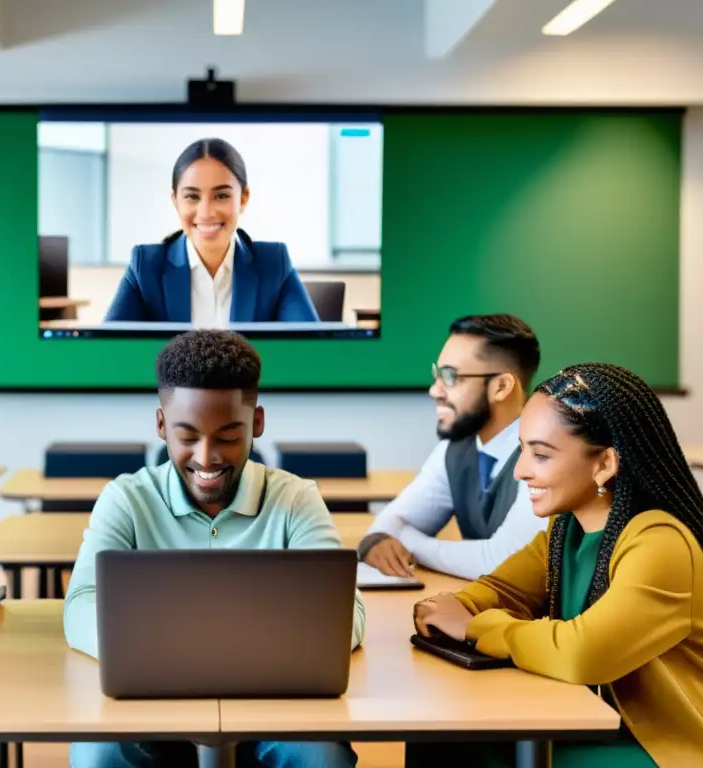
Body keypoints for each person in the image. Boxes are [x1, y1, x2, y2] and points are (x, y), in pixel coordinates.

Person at [64, 329, 363, 768]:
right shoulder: (125, 499)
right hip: (149, 703)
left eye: (227, 437)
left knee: (320, 756)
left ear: (256, 424)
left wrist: (222, 653)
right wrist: (173, 655)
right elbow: (79, 606)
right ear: (161, 425)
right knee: (97, 754)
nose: (207, 457)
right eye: (187, 436)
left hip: (274, 704)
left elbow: (346, 615)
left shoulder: (296, 499)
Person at [412, 363, 703, 768]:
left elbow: (583, 652)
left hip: (672, 750)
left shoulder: (660, 543)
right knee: (441, 739)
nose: (521, 471)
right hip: (611, 727)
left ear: (605, 464)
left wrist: (472, 626)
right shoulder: (566, 530)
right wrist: (456, 608)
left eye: (540, 454)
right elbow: (502, 590)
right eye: (522, 450)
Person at [358, 314, 547, 580]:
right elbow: (390, 524)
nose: (434, 391)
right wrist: (383, 538)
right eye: (438, 374)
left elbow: (503, 562)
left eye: (450, 377)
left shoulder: (546, 455)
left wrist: (408, 541)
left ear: (502, 387)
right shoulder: (456, 449)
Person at [103, 138, 320, 326]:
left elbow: (311, 349)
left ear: (243, 198)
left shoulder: (273, 263)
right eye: (192, 197)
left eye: (221, 196)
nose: (206, 213)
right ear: (175, 201)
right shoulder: (145, 266)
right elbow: (108, 352)